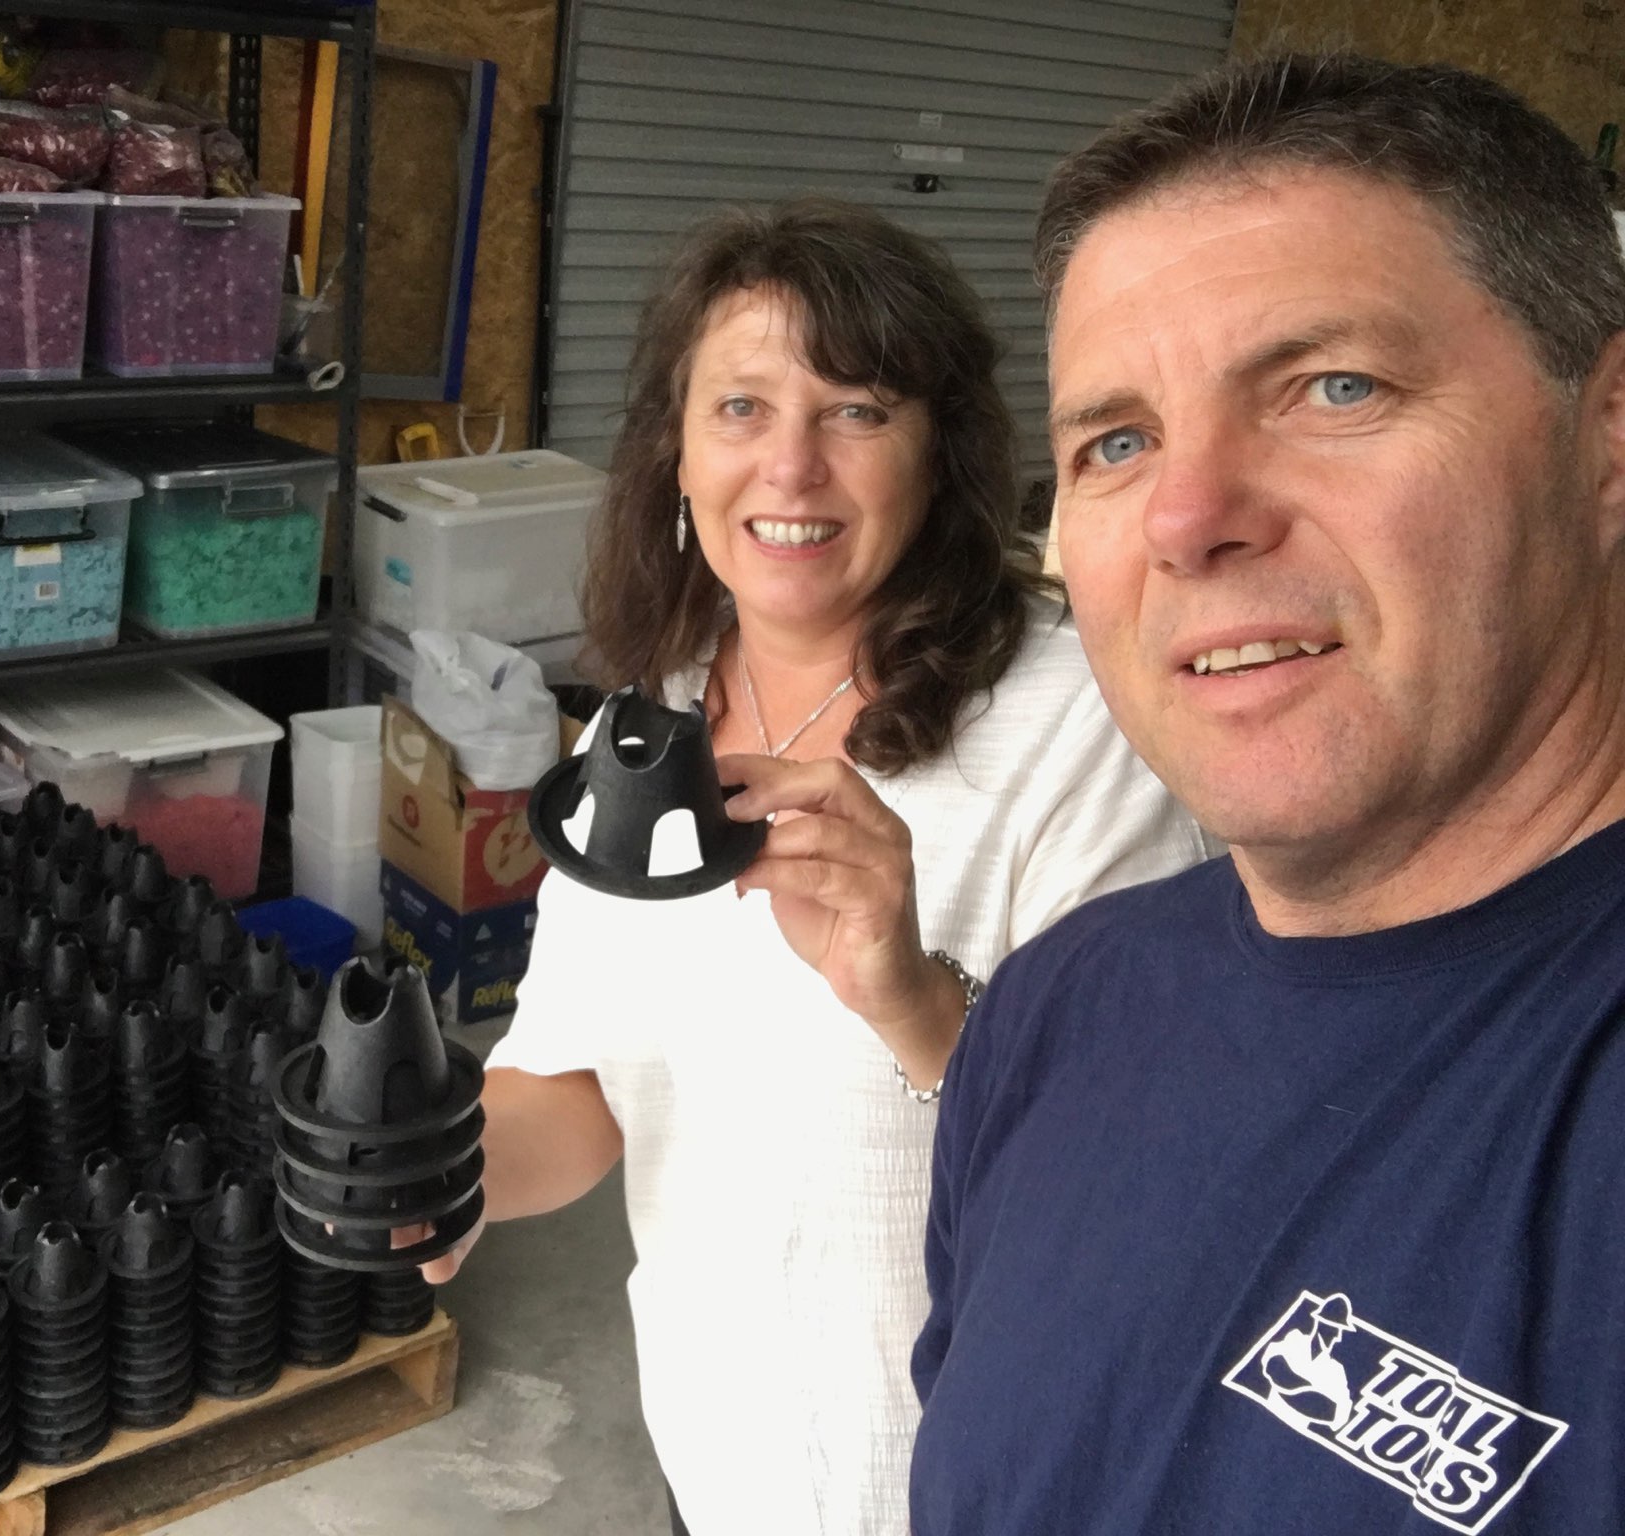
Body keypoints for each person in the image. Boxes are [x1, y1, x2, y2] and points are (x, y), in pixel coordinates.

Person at [880, 53, 1625, 1534]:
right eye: (1116, 441)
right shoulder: (1050, 1013)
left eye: (1331, 387)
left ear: (1606, 437)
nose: (1186, 515)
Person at [421, 198, 1209, 1535]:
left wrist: (914, 997)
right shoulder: (648, 723)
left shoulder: (1081, 728)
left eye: (857, 411)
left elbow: (1149, 1169)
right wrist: (442, 1171)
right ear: (675, 455)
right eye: (739, 409)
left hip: (980, 1483)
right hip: (719, 1467)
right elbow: (578, 1082)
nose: (789, 468)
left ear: (941, 456)